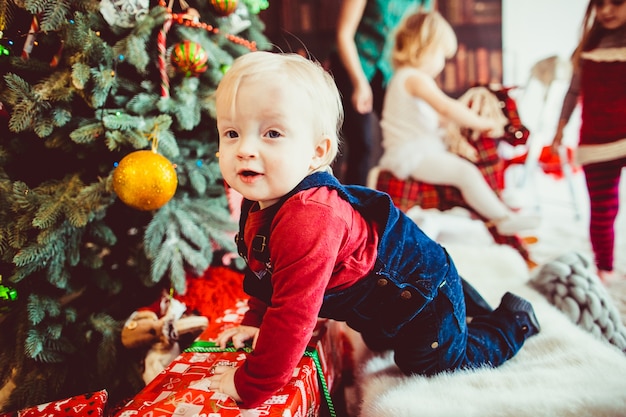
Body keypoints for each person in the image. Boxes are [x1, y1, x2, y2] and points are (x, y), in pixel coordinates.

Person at [208, 50, 540, 408]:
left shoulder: (309, 216)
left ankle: (514, 319)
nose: (244, 149)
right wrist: (256, 322)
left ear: (317, 153)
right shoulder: (260, 199)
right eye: (232, 132)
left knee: (434, 362)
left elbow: (293, 313)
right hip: (386, 300)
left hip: (422, 293)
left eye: (272, 133)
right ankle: (466, 308)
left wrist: (253, 383)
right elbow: (267, 273)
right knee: (383, 339)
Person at [378, 10, 540, 236]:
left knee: (463, 169)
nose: (443, 64)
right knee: (465, 173)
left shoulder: (403, 78)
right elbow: (446, 108)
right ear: (425, 47)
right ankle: (502, 218)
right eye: (441, 56)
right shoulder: (414, 78)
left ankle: (497, 212)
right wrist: (482, 123)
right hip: (412, 156)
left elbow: (439, 119)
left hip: (417, 151)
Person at [550, 0, 626, 282]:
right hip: (596, 141)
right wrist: (560, 128)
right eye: (600, 4)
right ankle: (604, 268)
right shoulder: (587, 48)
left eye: (616, 3)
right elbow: (573, 93)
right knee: (603, 209)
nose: (606, 10)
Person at [329, 0, 433, 185]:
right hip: (353, 65)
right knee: (363, 144)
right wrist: (359, 82)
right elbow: (344, 34)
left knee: (404, 136)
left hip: (390, 71)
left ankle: (400, 198)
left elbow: (425, 34)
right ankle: (354, 206)